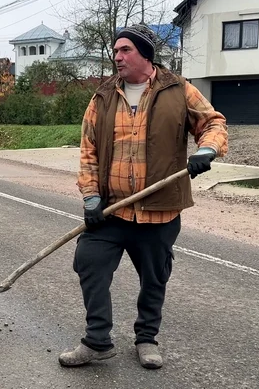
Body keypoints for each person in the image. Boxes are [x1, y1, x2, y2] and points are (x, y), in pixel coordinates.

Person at [58, 23, 228, 369]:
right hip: (110, 211)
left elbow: (213, 123)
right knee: (89, 263)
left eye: (125, 50)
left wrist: (207, 150)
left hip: (160, 211)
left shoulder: (179, 90)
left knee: (154, 277)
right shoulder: (103, 96)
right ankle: (97, 340)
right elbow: (88, 150)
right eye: (116, 51)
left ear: (145, 54)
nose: (117, 57)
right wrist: (91, 198)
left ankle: (147, 339)